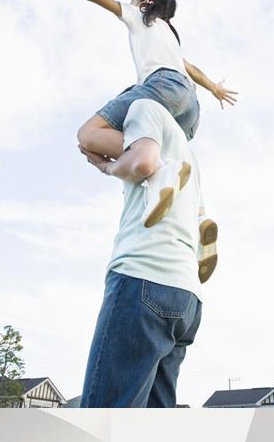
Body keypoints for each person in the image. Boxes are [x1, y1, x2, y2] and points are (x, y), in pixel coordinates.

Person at [25, 0, 231, 278]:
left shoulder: (141, 16)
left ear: (146, 2)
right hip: (190, 107)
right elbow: (192, 71)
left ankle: (157, 167)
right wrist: (214, 89)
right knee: (178, 154)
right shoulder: (169, 35)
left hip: (161, 87)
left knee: (89, 133)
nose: (130, 3)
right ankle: (199, 217)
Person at [78, 98, 204, 407]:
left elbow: (143, 162)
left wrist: (107, 167)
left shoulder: (144, 107)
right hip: (187, 295)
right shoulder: (190, 153)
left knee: (104, 422)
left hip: (143, 277)